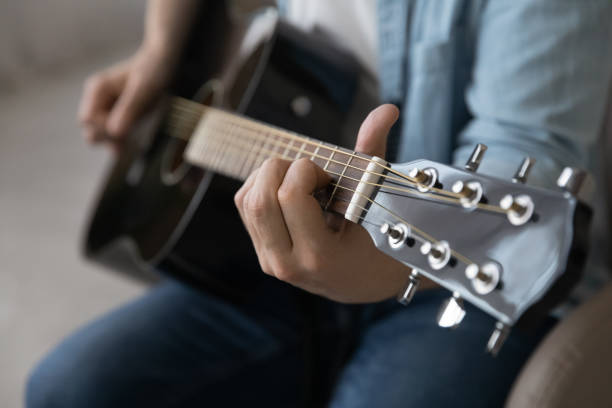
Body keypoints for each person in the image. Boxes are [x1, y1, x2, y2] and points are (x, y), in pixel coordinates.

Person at [26, 1, 612, 407]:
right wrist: (160, 50)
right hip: (273, 236)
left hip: (448, 283)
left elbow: (523, 159)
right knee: (65, 389)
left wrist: (379, 266)